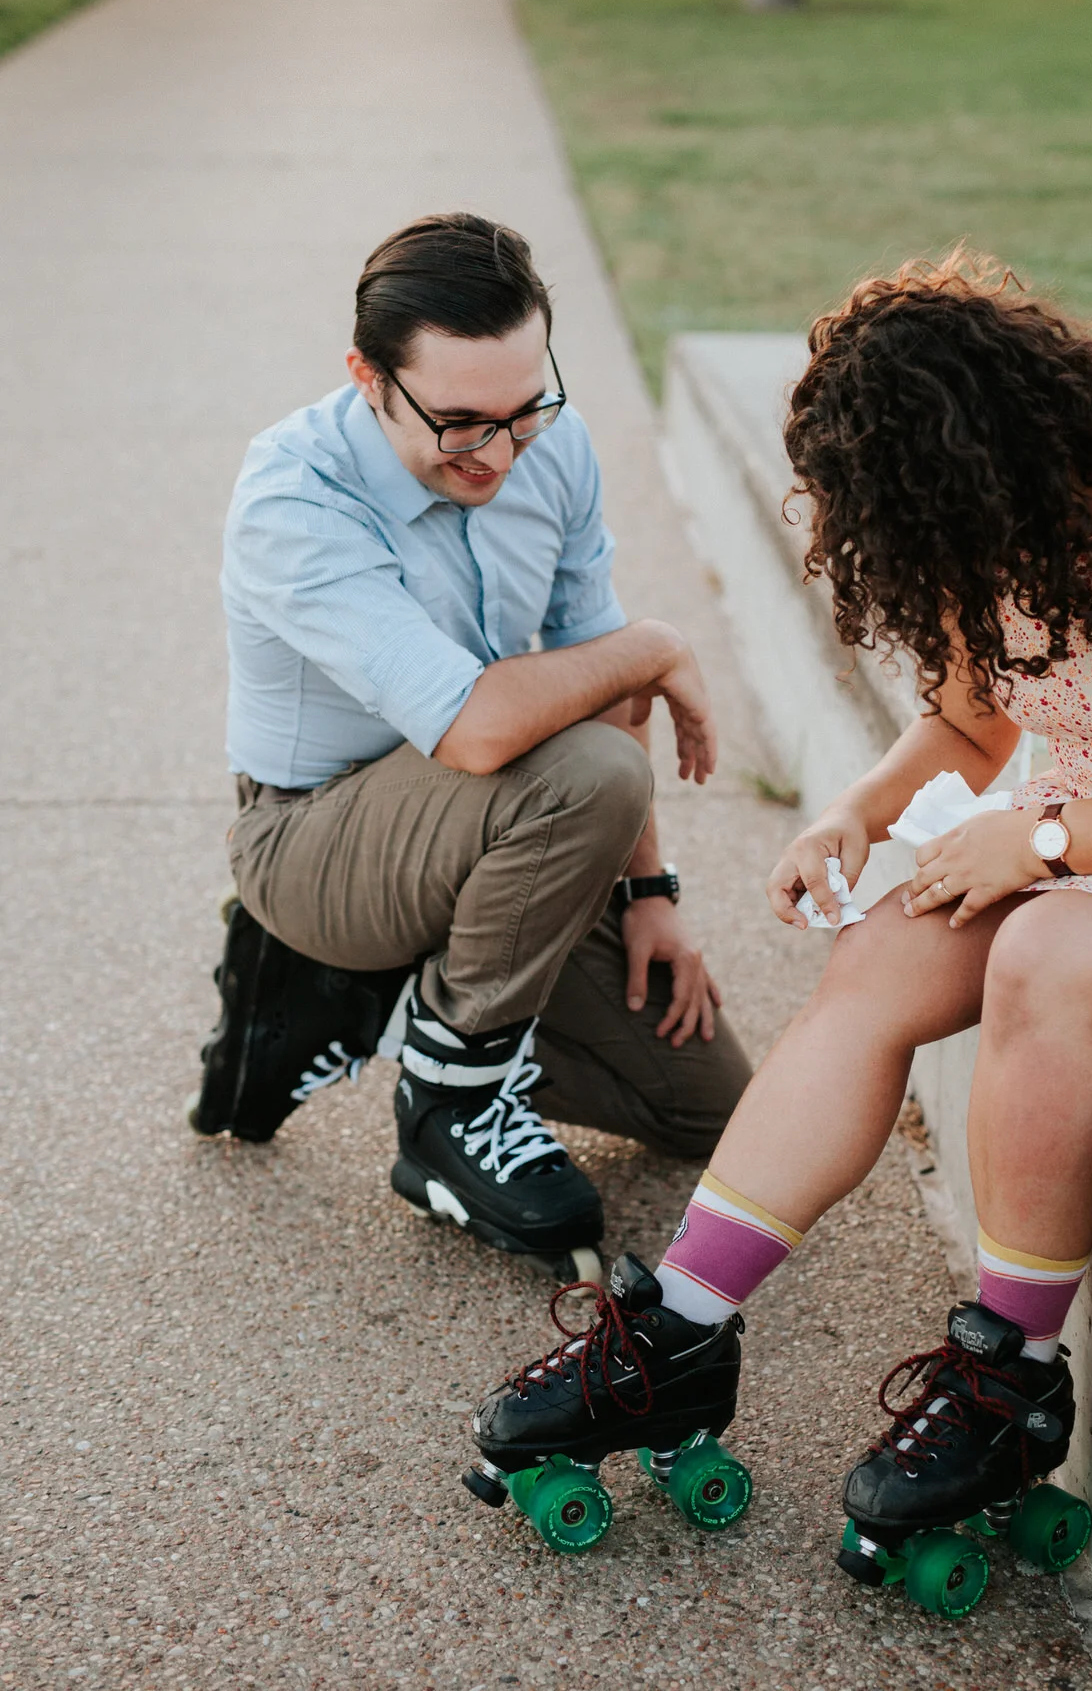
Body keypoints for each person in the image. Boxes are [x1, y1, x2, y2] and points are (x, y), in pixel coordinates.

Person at [469, 252, 1092, 1567]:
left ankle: (1010, 1381)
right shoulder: (1003, 521)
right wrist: (854, 810)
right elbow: (974, 716)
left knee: (1043, 958)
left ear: (998, 445)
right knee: (884, 956)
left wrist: (1043, 839)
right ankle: (677, 1331)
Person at [193, 212, 749, 1281]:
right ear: (366, 376)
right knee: (577, 768)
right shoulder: (293, 494)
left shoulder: (555, 446)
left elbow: (603, 692)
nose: (496, 452)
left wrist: (649, 896)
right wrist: (655, 645)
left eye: (521, 408)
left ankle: (357, 1003)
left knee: (700, 1104)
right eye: (458, 422)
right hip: (314, 845)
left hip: (492, 836)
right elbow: (485, 726)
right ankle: (447, 1108)